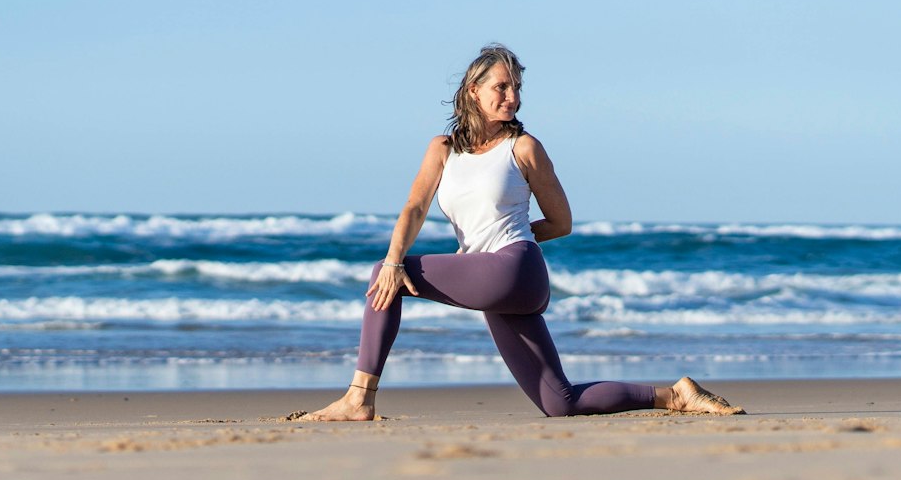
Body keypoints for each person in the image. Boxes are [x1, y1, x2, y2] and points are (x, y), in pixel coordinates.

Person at [291, 44, 742, 422]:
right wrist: (416, 258)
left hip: (514, 270)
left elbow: (561, 222)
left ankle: (358, 398)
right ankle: (675, 394)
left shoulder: (523, 148)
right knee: (559, 402)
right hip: (494, 275)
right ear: (473, 91)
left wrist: (502, 244)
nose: (512, 97)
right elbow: (414, 207)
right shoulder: (443, 150)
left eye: (516, 88)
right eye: (501, 87)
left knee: (382, 277)